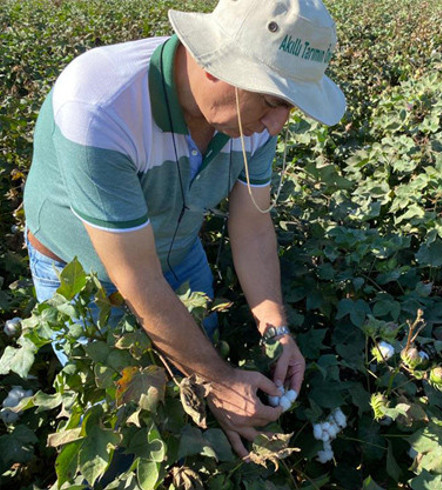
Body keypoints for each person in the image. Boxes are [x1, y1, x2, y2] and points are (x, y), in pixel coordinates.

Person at [21, 0, 346, 458]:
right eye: (275, 101)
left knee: (195, 395)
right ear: (217, 66)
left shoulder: (249, 120)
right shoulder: (100, 106)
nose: (277, 125)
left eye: (289, 106)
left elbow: (252, 225)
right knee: (122, 425)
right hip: (84, 279)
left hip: (177, 252)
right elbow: (135, 277)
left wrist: (276, 331)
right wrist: (217, 378)